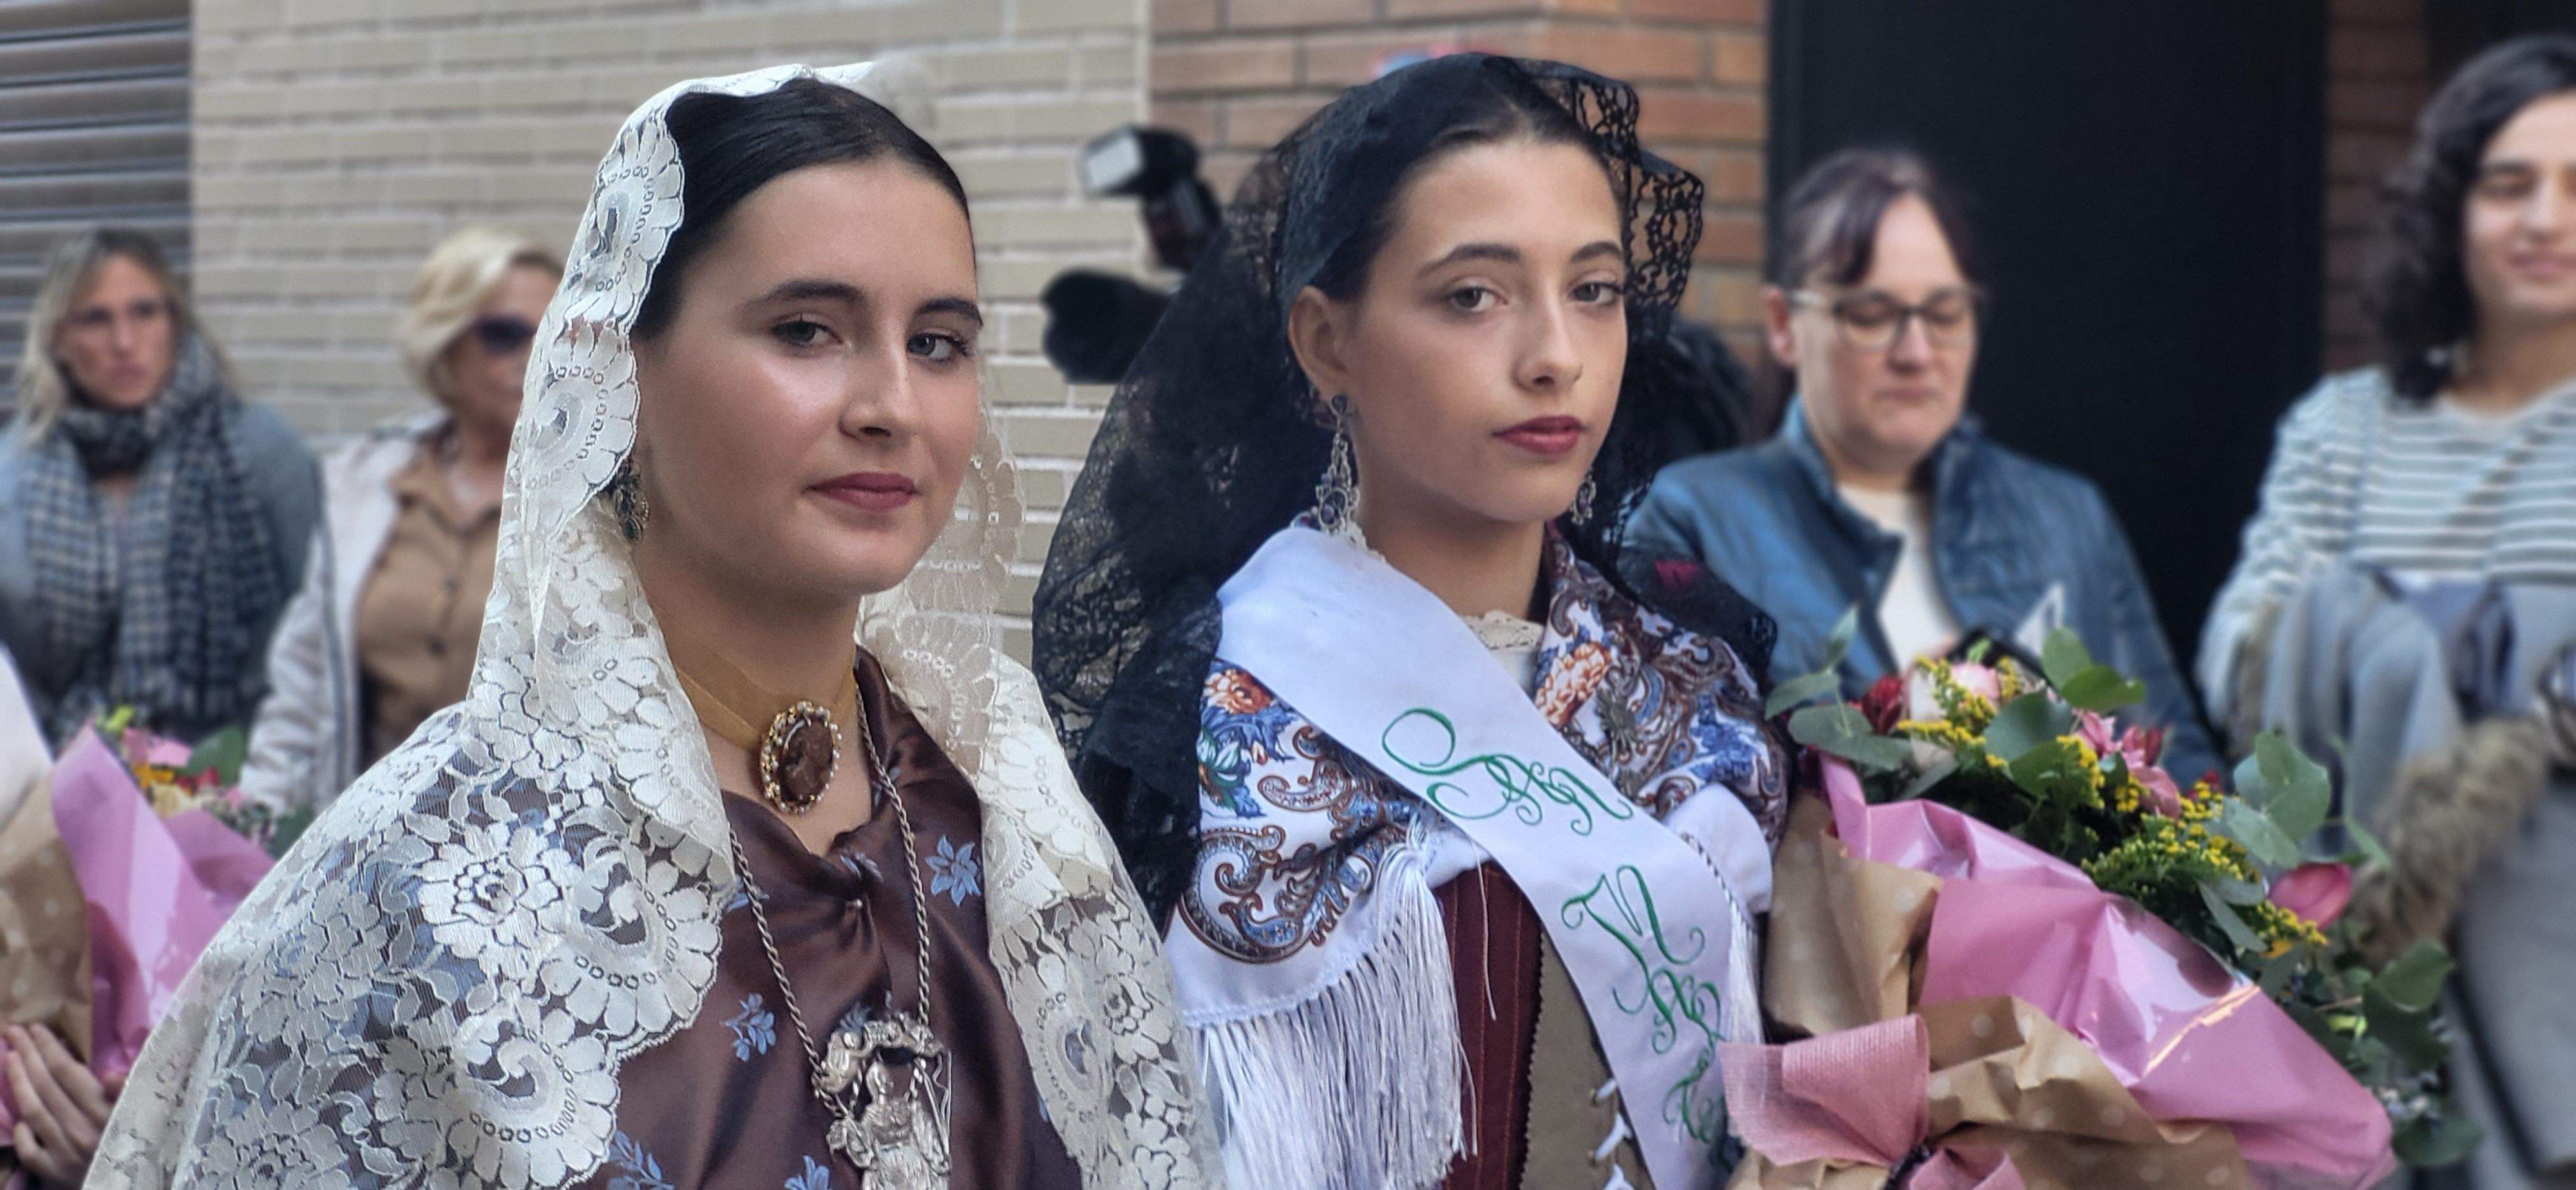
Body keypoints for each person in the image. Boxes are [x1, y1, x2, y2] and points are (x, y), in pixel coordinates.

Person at [88, 62, 1211, 1188]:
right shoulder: (431, 873)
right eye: (809, 329)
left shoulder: (1007, 799)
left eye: (938, 343)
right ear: (621, 376)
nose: (891, 405)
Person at [1034, 55, 1785, 1189]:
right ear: (1325, 341)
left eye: (1593, 290)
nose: (1555, 356)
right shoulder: (1195, 723)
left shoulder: (1693, 683)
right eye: (1473, 295)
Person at [2198, 35, 2576, 1189]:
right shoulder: (2343, 426)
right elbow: (2241, 657)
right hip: (2352, 842)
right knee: (2360, 627)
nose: (2545, 218)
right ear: (2452, 207)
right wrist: (2426, 648)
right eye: (2509, 184)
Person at [1627, 148, 2220, 781]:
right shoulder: (1694, 520)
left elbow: (2178, 766)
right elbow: (1674, 778)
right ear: (1782, 323)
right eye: (1871, 315)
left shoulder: (2067, 518)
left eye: (1943, 314)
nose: (1915, 352)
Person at [238, 227, 561, 811]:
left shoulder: (598, 495)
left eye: (556, 331)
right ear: (444, 342)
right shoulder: (365, 485)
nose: (534, 354)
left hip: (537, 855)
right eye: (505, 335)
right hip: (367, 846)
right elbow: (303, 689)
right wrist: (259, 825)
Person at [0, 229, 317, 749]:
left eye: (144, 312)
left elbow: (310, 641)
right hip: (61, 780)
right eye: (96, 319)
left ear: (175, 322)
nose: (124, 341)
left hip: (240, 776)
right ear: (58, 339)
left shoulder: (261, 453)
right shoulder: (14, 476)